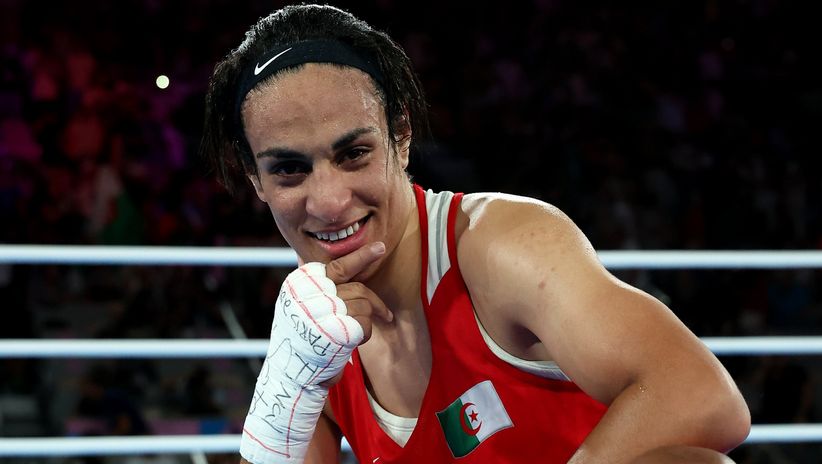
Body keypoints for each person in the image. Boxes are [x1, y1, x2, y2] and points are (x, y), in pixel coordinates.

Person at [201, 4, 750, 463]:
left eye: (353, 153)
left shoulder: (499, 244)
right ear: (257, 180)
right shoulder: (314, 332)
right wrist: (282, 392)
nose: (328, 201)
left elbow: (701, 396)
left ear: (401, 136)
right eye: (289, 169)